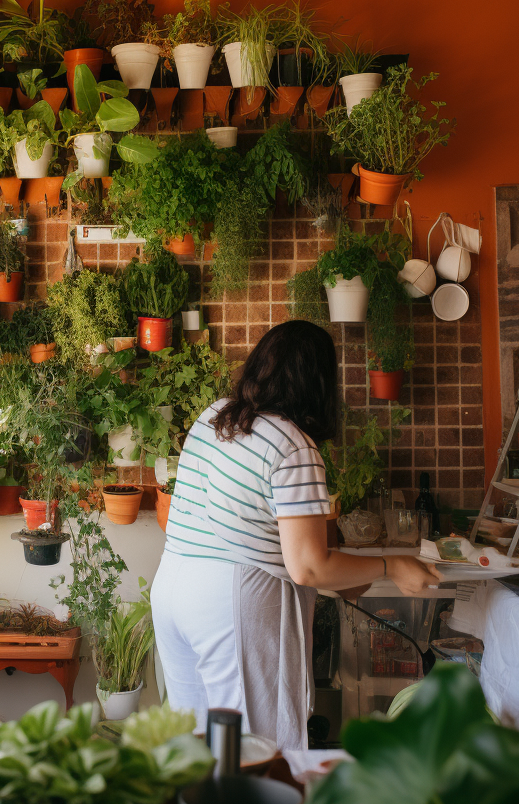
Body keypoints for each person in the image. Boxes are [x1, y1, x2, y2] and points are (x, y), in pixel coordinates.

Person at [150, 320, 440, 748]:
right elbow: (308, 567)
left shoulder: (215, 416)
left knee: (193, 743)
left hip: (173, 586)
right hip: (231, 603)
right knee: (255, 748)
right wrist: (392, 565)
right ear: (320, 384)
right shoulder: (293, 445)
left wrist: (348, 573)